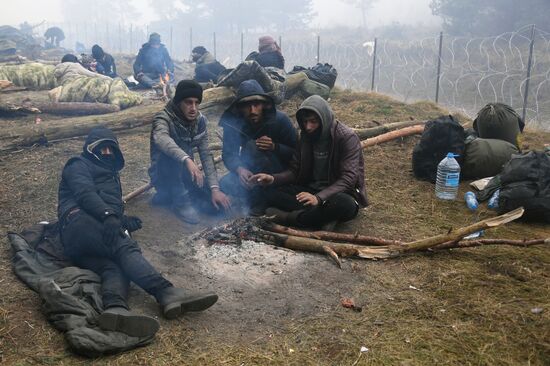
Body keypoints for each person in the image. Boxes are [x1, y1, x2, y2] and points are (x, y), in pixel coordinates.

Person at [58, 127, 218, 338]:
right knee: (124, 246)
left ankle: (115, 310)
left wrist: (121, 219)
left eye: (110, 149)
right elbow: (85, 193)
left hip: (86, 241)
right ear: (89, 149)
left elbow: (104, 203)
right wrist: (108, 215)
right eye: (101, 148)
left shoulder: (111, 176)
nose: (107, 153)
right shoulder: (77, 164)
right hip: (77, 224)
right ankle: (166, 292)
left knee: (114, 267)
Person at [251, 95, 368, 228]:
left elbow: (349, 178)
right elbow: (295, 171)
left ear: (324, 118)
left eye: (313, 121)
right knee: (269, 191)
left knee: (344, 204)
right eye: (305, 122)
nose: (308, 127)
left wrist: (318, 198)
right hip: (309, 190)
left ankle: (291, 218)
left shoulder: (347, 138)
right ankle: (322, 218)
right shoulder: (305, 138)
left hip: (336, 194)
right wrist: (273, 178)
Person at [149, 80, 231, 223]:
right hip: (164, 174)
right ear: (179, 102)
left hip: (186, 174)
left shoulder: (200, 121)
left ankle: (167, 197)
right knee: (170, 157)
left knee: (216, 208)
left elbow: (206, 155)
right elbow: (161, 139)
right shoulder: (163, 118)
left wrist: (214, 189)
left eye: (196, 103)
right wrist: (187, 159)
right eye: (188, 102)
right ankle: (180, 203)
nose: (193, 108)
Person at [219, 79, 297, 214]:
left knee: (253, 147)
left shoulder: (280, 120)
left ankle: (261, 200)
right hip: (250, 171)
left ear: (264, 105)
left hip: (278, 173)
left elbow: (297, 154)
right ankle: (255, 194)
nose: (252, 110)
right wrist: (240, 169)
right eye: (247, 106)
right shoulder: (234, 124)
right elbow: (228, 154)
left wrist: (275, 147)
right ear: (239, 108)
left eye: (256, 104)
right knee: (225, 183)